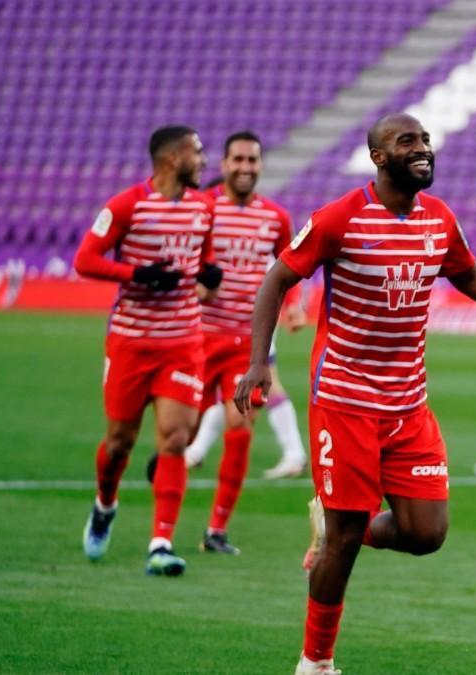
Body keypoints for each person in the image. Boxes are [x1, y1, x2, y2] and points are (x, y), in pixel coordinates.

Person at [233, 113, 476, 675]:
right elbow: (277, 278)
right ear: (379, 157)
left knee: (425, 533)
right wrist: (260, 360)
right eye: (407, 142)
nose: (423, 149)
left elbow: (473, 278)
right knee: (344, 539)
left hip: (408, 404)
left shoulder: (438, 219)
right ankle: (316, 662)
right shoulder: (341, 218)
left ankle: (338, 528)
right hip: (346, 402)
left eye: (426, 141)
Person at [73, 125, 221, 576]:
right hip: (132, 341)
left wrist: (207, 279)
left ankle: (161, 542)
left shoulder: (203, 207)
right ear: (173, 159)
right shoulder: (126, 205)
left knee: (175, 439)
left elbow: (204, 266)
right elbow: (85, 260)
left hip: (182, 341)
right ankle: (105, 504)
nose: (203, 160)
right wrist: (138, 274)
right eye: (197, 152)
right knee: (119, 444)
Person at [186, 131, 294, 555]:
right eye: (238, 160)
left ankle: (216, 530)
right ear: (224, 164)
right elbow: (183, 261)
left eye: (253, 160)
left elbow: (292, 265)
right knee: (180, 434)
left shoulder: (276, 217)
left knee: (240, 427)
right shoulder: (204, 209)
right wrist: (197, 287)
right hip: (195, 337)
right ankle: (162, 525)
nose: (246, 167)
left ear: (261, 165)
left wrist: (295, 306)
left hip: (246, 344)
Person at [184, 174, 309, 481]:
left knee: (253, 391)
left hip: (252, 321)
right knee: (237, 394)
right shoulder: (215, 224)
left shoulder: (267, 219)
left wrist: (293, 304)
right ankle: (196, 450)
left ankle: (294, 453)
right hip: (232, 322)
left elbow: (289, 263)